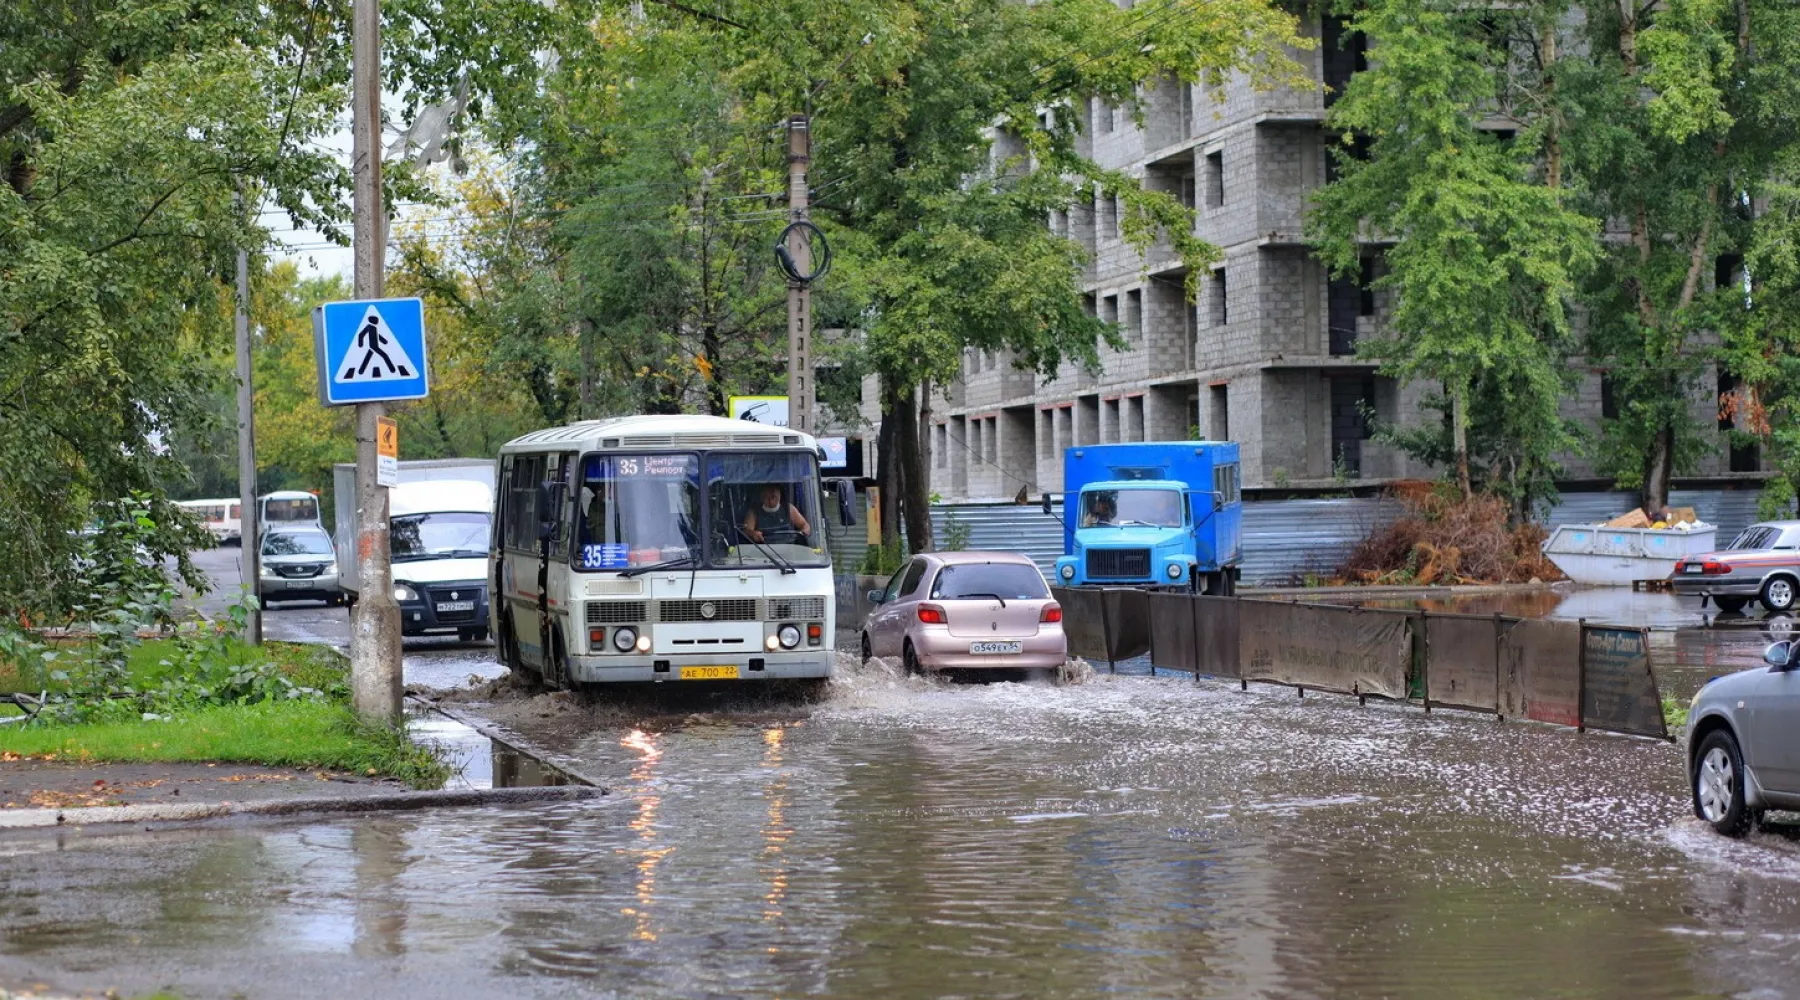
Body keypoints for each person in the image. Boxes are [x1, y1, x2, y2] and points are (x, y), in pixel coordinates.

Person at [742, 485, 810, 544]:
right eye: (766, 497)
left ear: (779, 495)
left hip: (790, 547)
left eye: (773, 497)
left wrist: (803, 532)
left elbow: (804, 524)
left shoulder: (789, 508)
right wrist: (753, 534)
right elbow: (746, 530)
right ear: (761, 497)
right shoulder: (753, 512)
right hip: (765, 549)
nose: (770, 501)